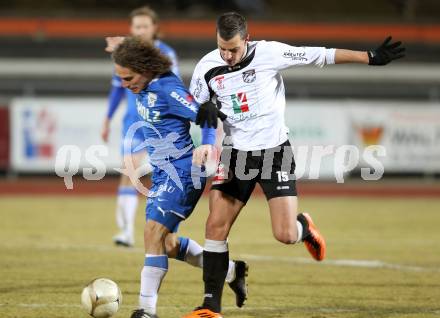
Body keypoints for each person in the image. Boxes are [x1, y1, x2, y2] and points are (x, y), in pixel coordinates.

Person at [184, 12, 405, 318]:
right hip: (235, 155)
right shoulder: (207, 67)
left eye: (233, 49)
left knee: (285, 234)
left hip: (275, 152)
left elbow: (319, 55)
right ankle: (210, 305)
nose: (228, 55)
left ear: (247, 39)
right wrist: (203, 113)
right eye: (222, 48)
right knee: (215, 225)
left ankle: (305, 227)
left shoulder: (270, 53)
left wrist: (367, 57)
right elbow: (193, 104)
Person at [111, 36, 248, 318]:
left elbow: (206, 113)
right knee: (169, 244)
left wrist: (208, 144)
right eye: (121, 79)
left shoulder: (166, 88)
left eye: (128, 78)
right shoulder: (144, 83)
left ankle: (146, 311)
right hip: (163, 175)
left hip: (183, 172)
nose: (125, 85)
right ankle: (232, 271)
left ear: (143, 68)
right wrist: (122, 47)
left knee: (151, 232)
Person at [102, 6, 179, 247]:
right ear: (131, 29)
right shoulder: (125, 56)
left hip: (159, 124)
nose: (142, 30)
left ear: (155, 28)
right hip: (133, 123)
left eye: (146, 26)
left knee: (166, 177)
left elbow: (172, 86)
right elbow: (117, 89)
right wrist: (107, 118)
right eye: (137, 26)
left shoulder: (166, 54)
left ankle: (166, 228)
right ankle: (125, 231)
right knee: (129, 173)